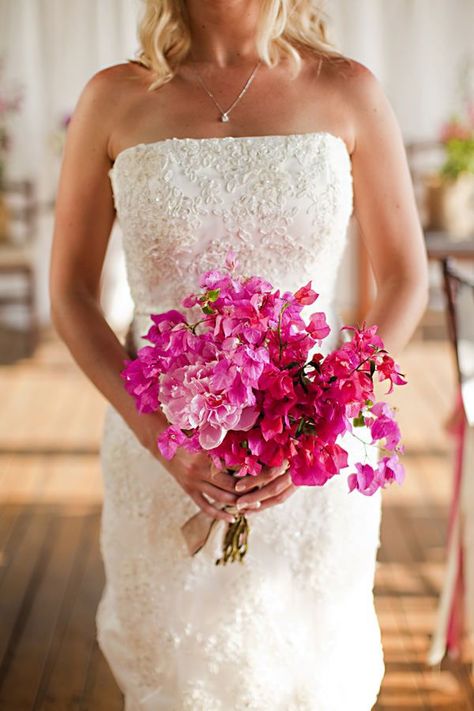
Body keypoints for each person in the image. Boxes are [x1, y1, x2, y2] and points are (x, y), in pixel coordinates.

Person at [49, 1, 429, 708]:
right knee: (177, 680)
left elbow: (407, 279)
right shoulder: (114, 97)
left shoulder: (349, 91)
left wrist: (326, 419)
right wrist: (160, 437)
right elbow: (71, 292)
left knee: (313, 677)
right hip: (159, 451)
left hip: (310, 461)